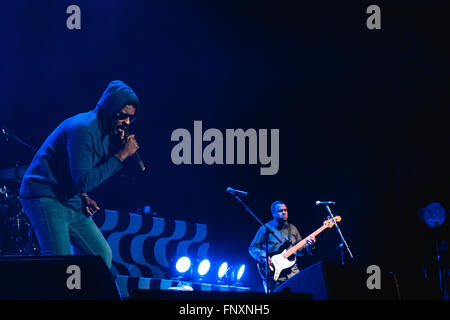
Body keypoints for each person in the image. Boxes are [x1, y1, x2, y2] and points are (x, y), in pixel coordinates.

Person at [19, 80, 140, 269]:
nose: (126, 122)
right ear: (109, 110)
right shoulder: (83, 129)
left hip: (69, 199)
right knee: (60, 264)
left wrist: (83, 197)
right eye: (123, 116)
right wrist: (122, 155)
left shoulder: (105, 131)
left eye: (130, 118)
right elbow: (83, 181)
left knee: (101, 255)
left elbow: (76, 169)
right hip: (45, 196)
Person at [249, 201, 316, 292]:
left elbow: (300, 251)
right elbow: (253, 247)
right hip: (274, 276)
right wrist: (263, 256)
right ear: (273, 213)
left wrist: (309, 245)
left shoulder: (293, 229)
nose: (284, 212)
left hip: (293, 273)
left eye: (285, 210)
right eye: (280, 211)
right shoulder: (265, 228)